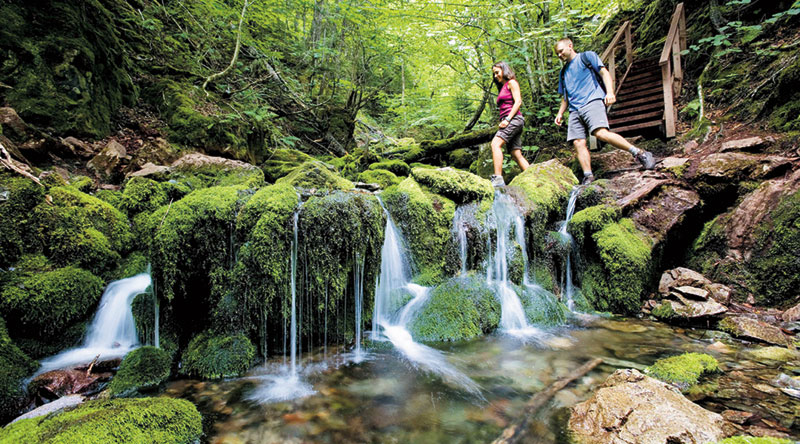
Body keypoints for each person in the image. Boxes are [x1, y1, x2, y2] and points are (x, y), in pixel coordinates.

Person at [554, 38, 656, 185]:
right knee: (578, 142)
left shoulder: (586, 57)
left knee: (600, 133)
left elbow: (604, 73)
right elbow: (565, 96)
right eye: (557, 53)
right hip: (574, 109)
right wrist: (560, 113)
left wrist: (610, 92)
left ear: (570, 46)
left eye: (561, 51)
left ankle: (640, 154)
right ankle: (588, 176)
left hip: (592, 101)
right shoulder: (563, 73)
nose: (559, 55)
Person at [490, 62, 530, 187]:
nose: (495, 76)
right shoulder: (502, 87)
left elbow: (518, 102)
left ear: (504, 70)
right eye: (494, 74)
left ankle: (498, 178)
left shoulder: (512, 83)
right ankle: (534, 176)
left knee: (495, 144)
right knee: (515, 154)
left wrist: (507, 119)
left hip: (514, 119)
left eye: (497, 72)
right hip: (511, 120)